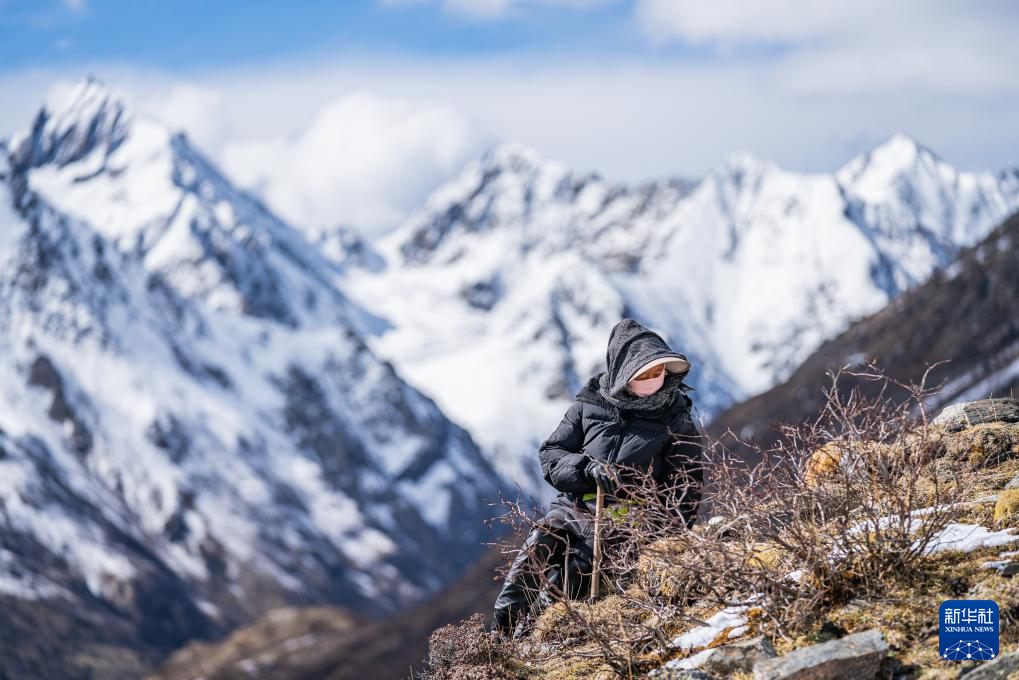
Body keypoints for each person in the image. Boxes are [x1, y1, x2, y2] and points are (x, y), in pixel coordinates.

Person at [491, 317, 706, 637]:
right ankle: (499, 641)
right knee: (531, 561)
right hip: (573, 506)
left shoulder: (677, 418)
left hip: (631, 518)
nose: (653, 380)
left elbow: (686, 486)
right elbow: (551, 453)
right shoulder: (589, 404)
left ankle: (540, 638)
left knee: (574, 573)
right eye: (643, 374)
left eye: (658, 371)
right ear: (622, 374)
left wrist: (661, 533)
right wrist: (585, 469)